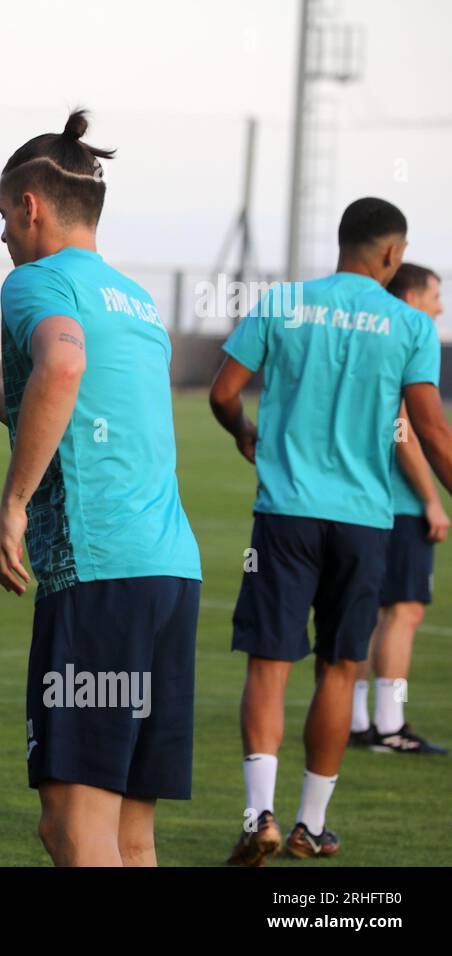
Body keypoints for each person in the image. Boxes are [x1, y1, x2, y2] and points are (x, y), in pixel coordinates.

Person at [0, 110, 202, 866]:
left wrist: (12, 507)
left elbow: (62, 367)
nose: (4, 235)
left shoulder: (34, 282)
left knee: (72, 831)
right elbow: (31, 398)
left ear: (31, 207)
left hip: (96, 574)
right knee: (129, 836)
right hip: (169, 576)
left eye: (4, 217)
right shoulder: (135, 301)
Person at [213, 198, 452, 865]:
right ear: (390, 255)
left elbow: (222, 392)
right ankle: (309, 826)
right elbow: (431, 431)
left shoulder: (282, 304)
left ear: (342, 242)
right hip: (364, 522)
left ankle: (257, 812)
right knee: (340, 668)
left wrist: (244, 433)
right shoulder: (408, 325)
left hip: (284, 514)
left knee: (269, 663)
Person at [350, 262, 448, 755]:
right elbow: (404, 426)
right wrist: (432, 498)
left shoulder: (369, 337)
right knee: (403, 611)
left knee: (370, 612)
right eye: (435, 295)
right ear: (411, 297)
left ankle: (359, 720)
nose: (440, 306)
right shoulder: (410, 337)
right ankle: (389, 726)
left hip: (365, 498)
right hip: (401, 502)